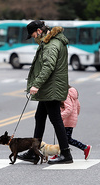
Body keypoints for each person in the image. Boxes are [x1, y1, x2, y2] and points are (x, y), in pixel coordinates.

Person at [17, 20, 73, 164]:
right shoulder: (50, 42)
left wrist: (36, 84)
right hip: (49, 87)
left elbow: (48, 66)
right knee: (40, 117)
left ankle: (66, 154)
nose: (34, 37)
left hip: (51, 87)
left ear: (39, 31)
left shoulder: (51, 45)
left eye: (33, 34)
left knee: (55, 119)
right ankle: (34, 152)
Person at [60, 86, 91, 160]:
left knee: (66, 139)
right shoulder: (73, 95)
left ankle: (85, 147)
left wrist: (60, 117)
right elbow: (78, 107)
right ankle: (59, 153)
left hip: (66, 120)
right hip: (71, 119)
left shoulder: (66, 95)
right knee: (63, 138)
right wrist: (75, 116)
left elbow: (69, 108)